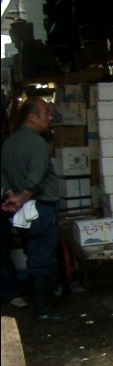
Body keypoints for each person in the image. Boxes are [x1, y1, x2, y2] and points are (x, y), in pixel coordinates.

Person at [1, 97, 70, 322]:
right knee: (42, 258)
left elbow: (4, 176)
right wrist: (21, 197)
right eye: (46, 112)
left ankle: (39, 302)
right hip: (40, 207)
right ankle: (44, 309)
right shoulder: (39, 144)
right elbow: (35, 179)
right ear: (32, 117)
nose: (50, 117)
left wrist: (11, 195)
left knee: (32, 253)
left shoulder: (9, 143)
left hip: (21, 212)